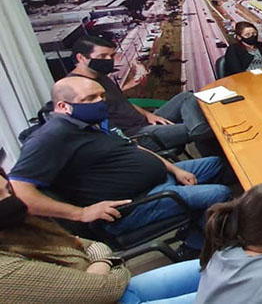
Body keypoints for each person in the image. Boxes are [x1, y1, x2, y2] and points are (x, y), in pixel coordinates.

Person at [9, 76, 231, 254]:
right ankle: (197, 247)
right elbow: (20, 191)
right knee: (220, 193)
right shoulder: (51, 137)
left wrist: (175, 169)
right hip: (133, 205)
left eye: (102, 96)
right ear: (63, 106)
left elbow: (132, 148)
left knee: (216, 164)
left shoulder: (89, 123)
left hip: (159, 179)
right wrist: (81, 213)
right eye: (90, 98)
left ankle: (197, 226)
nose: (100, 102)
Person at [0, 168, 202, 304]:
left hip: (122, 291)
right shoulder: (5, 272)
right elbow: (105, 289)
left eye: (8, 190)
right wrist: (111, 263)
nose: (10, 199)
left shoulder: (19, 227)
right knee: (229, 294)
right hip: (115, 291)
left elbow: (91, 246)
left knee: (220, 266)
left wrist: (102, 265)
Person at [69, 35, 212, 153]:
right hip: (138, 136)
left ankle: (198, 129)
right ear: (81, 58)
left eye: (111, 55)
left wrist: (148, 114)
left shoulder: (100, 75)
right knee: (207, 128)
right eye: (102, 56)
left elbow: (124, 102)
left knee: (186, 96)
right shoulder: (77, 88)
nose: (108, 60)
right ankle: (199, 130)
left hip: (143, 121)